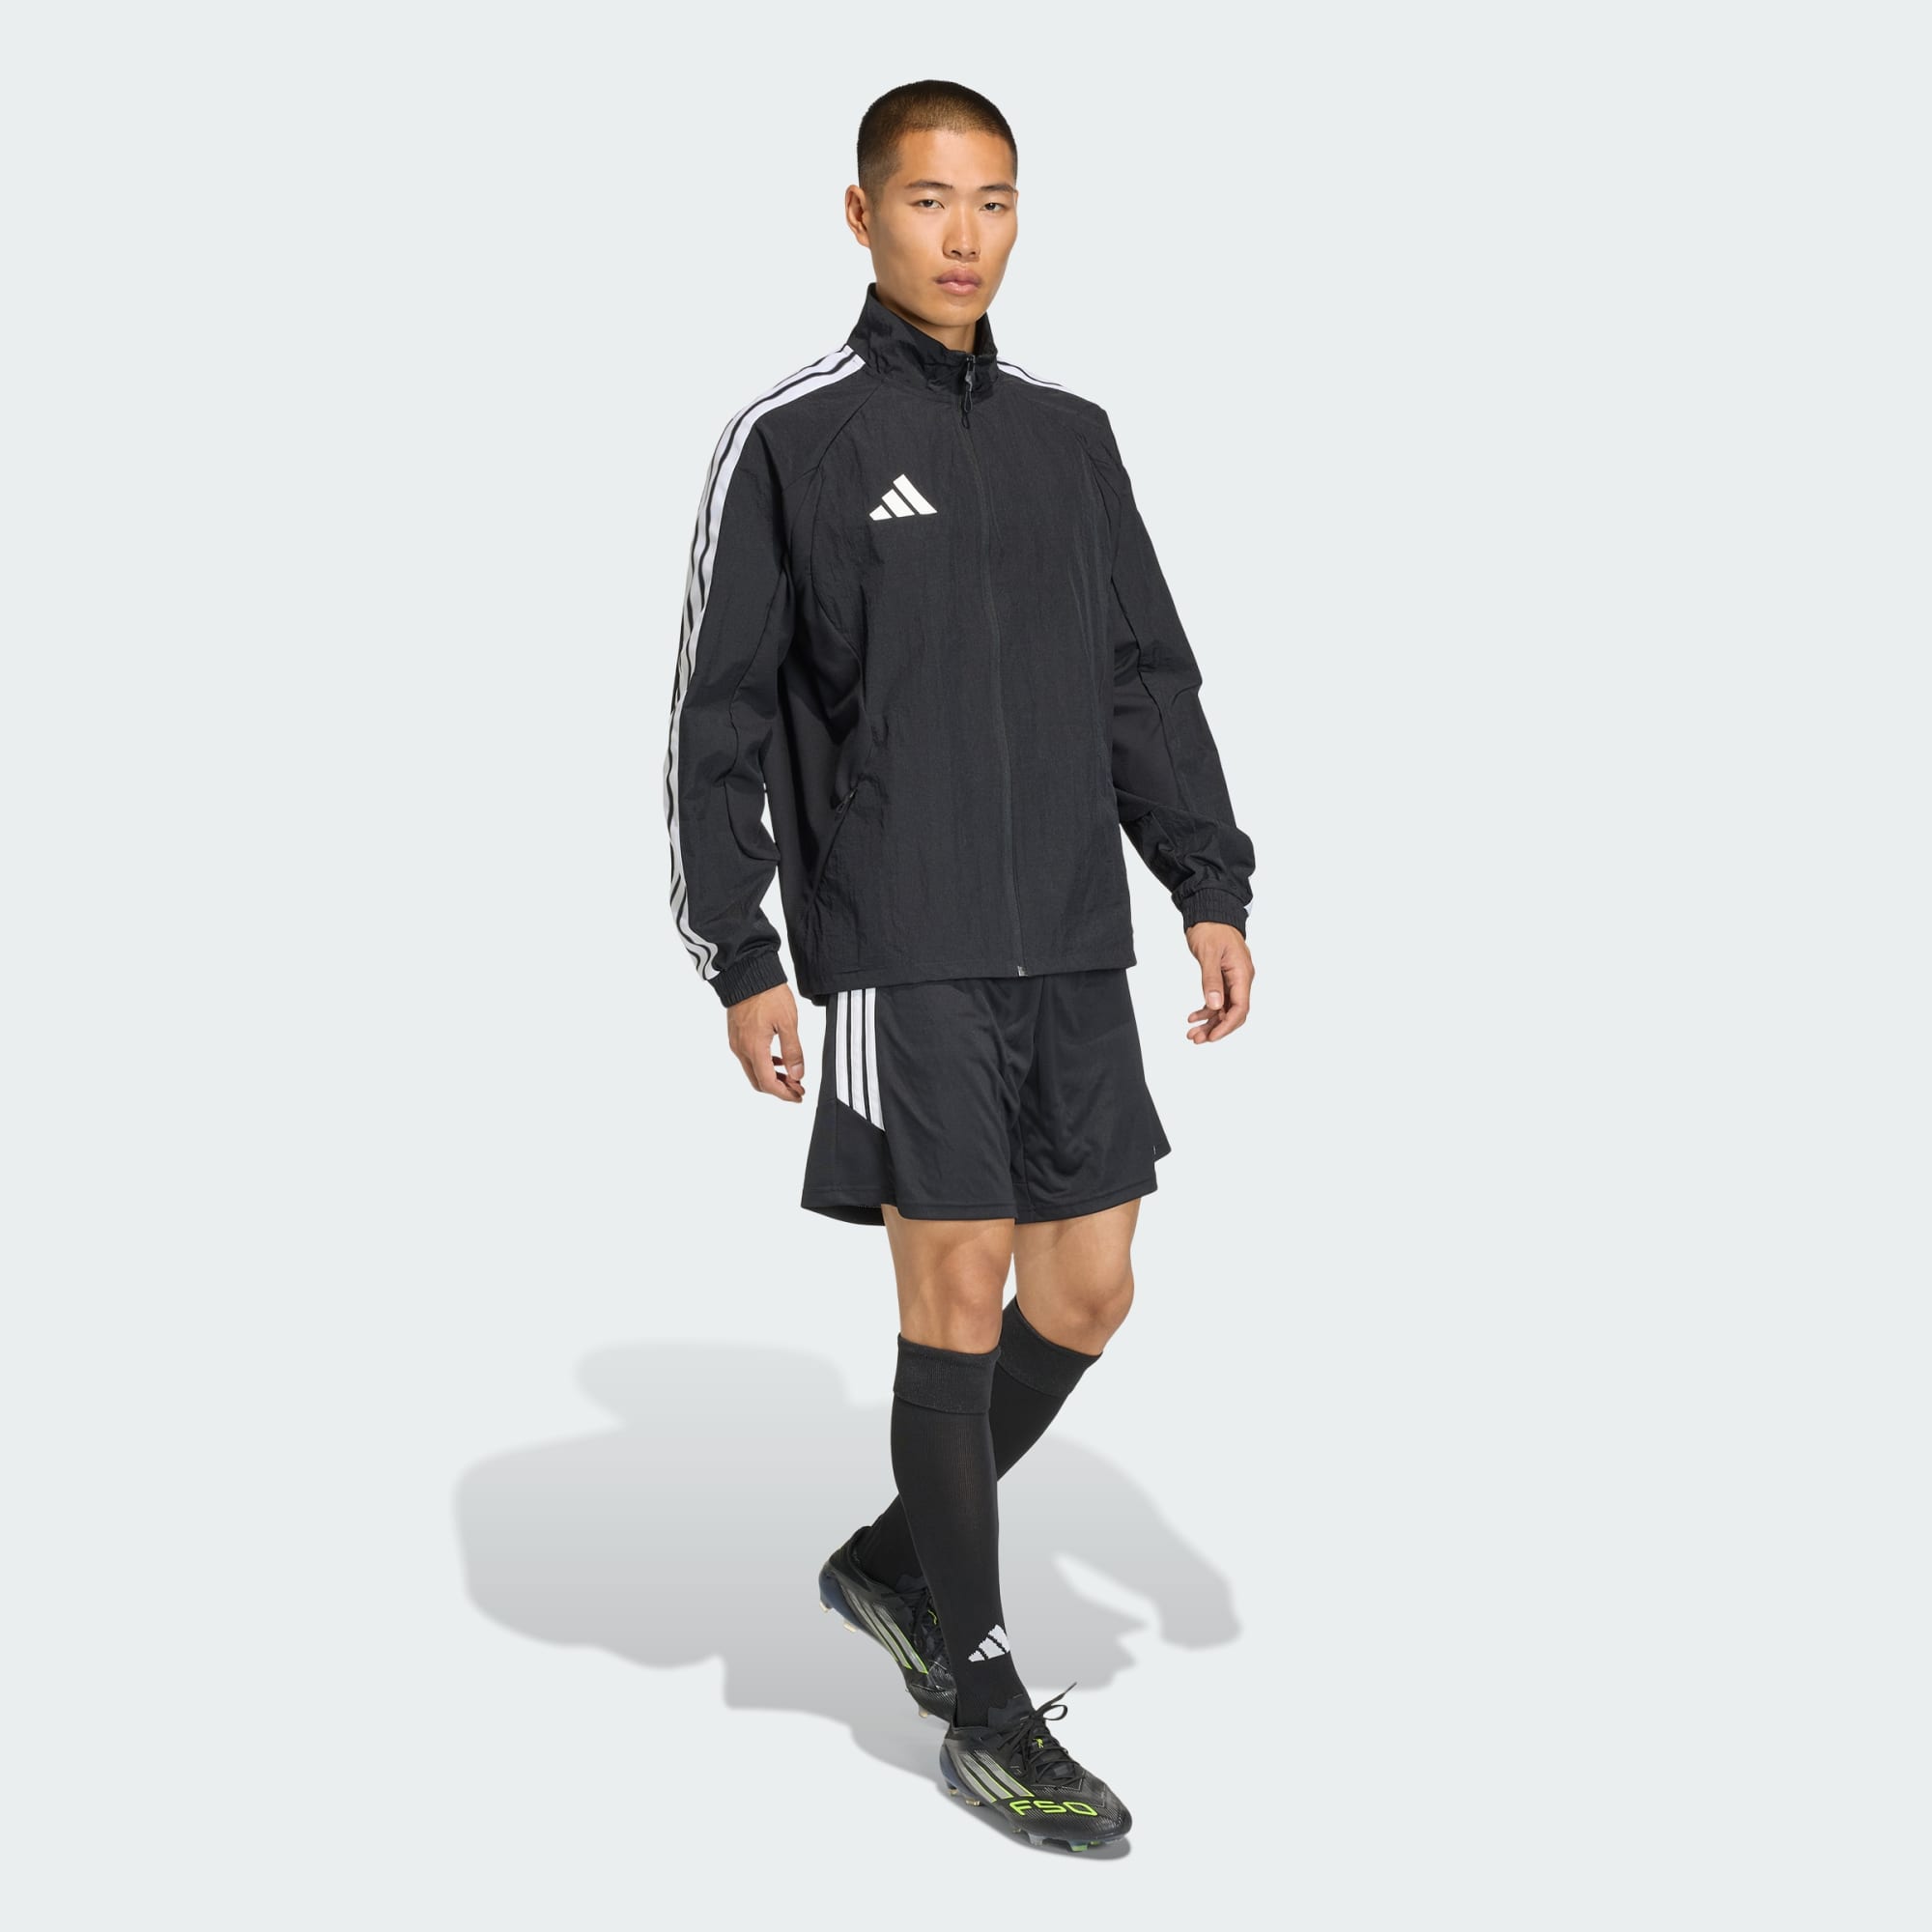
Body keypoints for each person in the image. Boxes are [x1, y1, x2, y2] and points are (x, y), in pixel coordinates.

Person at [663, 78, 1256, 1850]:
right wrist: (742, 951)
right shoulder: (798, 439)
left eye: (992, 200)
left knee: (1087, 1293)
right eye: (928, 201)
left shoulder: (1073, 438)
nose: (964, 234)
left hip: (1071, 940)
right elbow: (716, 715)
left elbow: (1145, 674)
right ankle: (986, 1700)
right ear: (864, 217)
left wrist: (1206, 882)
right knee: (955, 1286)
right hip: (901, 946)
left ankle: (896, 1561)